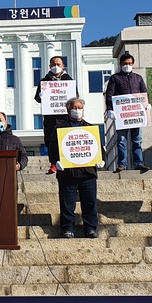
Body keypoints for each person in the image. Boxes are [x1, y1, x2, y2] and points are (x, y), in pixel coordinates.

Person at [54, 98, 104, 238]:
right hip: (67, 173)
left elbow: (98, 148)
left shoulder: (90, 128)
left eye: (79, 107)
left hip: (87, 172)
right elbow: (53, 149)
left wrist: (101, 160)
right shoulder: (59, 128)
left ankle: (90, 227)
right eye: (74, 107)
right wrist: (56, 161)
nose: (77, 110)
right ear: (68, 110)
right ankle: (68, 227)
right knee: (67, 202)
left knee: (89, 201)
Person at [105, 51, 149, 173]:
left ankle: (139, 163)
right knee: (122, 140)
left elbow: (144, 92)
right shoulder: (115, 78)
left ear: (133, 64)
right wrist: (110, 109)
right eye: (125, 63)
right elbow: (109, 94)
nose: (127, 65)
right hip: (121, 115)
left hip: (136, 114)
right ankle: (122, 164)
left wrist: (147, 104)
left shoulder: (138, 78)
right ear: (120, 64)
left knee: (137, 140)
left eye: (129, 63)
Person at [34, 56, 76, 174]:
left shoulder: (68, 80)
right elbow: (37, 98)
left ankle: (67, 162)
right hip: (50, 117)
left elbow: (75, 95)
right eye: (53, 64)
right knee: (51, 140)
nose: (55, 67)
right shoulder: (44, 81)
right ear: (49, 66)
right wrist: (41, 95)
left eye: (58, 64)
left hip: (64, 116)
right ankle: (53, 164)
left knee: (65, 139)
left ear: (63, 66)